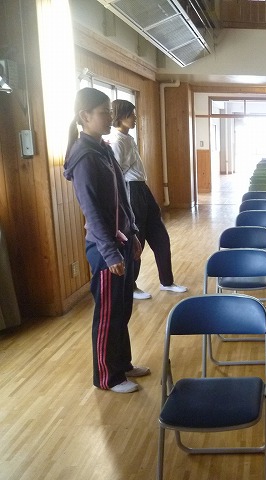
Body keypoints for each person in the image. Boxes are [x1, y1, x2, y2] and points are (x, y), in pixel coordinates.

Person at [63, 88, 150, 394]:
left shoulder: (103, 149)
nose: (109, 118)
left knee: (122, 309)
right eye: (104, 113)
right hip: (104, 249)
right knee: (108, 315)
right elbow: (92, 211)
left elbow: (122, 199)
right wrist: (111, 253)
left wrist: (134, 232)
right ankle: (106, 377)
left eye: (110, 112)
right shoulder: (85, 157)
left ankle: (122, 364)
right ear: (85, 116)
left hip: (122, 240)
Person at [107, 99, 187, 300]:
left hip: (142, 188)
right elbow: (116, 174)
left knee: (160, 236)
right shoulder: (117, 141)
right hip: (131, 190)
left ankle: (166, 282)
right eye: (132, 115)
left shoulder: (128, 138)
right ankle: (131, 286)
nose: (135, 118)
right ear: (122, 117)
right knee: (137, 239)